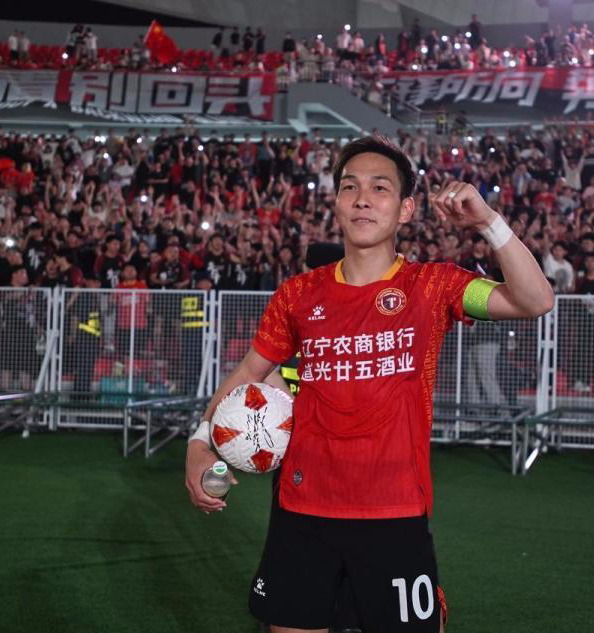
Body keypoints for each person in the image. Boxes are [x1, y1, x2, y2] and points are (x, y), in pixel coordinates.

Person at [185, 136, 553, 633]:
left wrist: (488, 222)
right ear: (337, 203)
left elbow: (535, 300)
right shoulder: (297, 295)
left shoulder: (433, 285)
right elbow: (250, 373)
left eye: (380, 188)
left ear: (405, 210)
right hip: (303, 509)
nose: (363, 198)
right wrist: (200, 442)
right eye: (350, 187)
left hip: (394, 512)